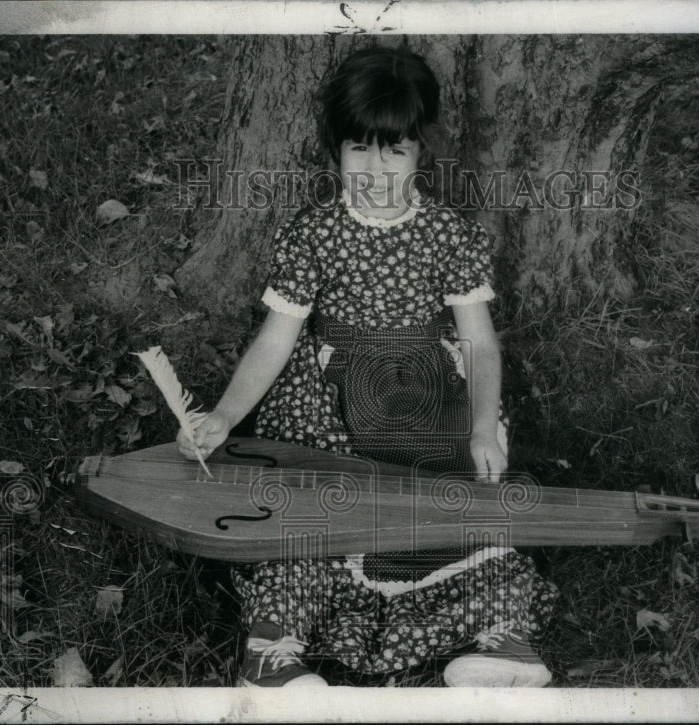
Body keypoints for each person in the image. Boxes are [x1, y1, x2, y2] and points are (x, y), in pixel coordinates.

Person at [178, 45, 558, 688]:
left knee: (457, 509)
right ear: (335, 151)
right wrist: (223, 415)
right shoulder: (313, 233)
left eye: (395, 151)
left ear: (421, 152)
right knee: (309, 513)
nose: (375, 169)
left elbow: (480, 344)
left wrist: (484, 426)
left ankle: (501, 640)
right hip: (329, 403)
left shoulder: (449, 233)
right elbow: (275, 342)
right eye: (359, 149)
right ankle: (274, 650)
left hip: (421, 395)